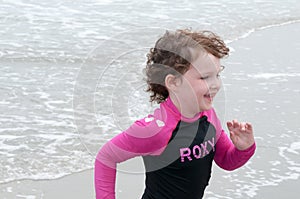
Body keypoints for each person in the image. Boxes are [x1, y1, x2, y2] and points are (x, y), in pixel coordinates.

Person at [94, 29, 256, 199]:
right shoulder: (155, 129)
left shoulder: (209, 116)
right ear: (173, 82)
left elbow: (226, 160)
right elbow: (106, 157)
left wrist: (243, 149)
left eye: (217, 75)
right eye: (205, 77)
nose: (215, 84)